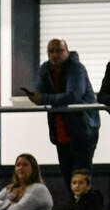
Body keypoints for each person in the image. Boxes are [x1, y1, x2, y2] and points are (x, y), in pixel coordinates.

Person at [28, 39, 100, 192]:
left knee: (81, 179)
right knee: (68, 180)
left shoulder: (77, 68)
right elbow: (39, 94)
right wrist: (41, 97)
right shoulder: (45, 69)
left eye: (59, 51)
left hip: (82, 131)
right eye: (51, 51)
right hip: (60, 133)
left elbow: (72, 96)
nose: (55, 55)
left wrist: (45, 99)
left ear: (67, 51)